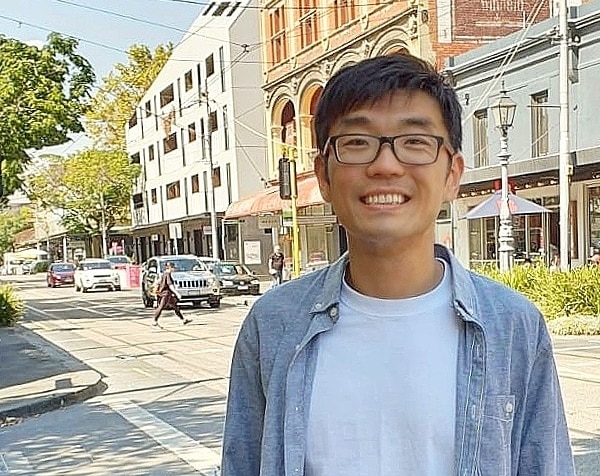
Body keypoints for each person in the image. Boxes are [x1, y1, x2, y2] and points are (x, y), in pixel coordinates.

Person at [222, 54, 575, 476]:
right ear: (324, 176)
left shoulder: (513, 325)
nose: (385, 165)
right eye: (357, 142)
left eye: (415, 142)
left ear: (452, 174)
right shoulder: (274, 324)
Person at [153, 262, 191, 326]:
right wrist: (177, 293)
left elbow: (158, 282)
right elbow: (170, 285)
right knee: (161, 307)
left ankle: (183, 320)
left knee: (175, 307)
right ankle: (154, 321)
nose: (174, 269)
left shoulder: (164, 274)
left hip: (168, 294)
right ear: (169, 267)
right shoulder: (167, 274)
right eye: (173, 267)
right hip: (166, 294)